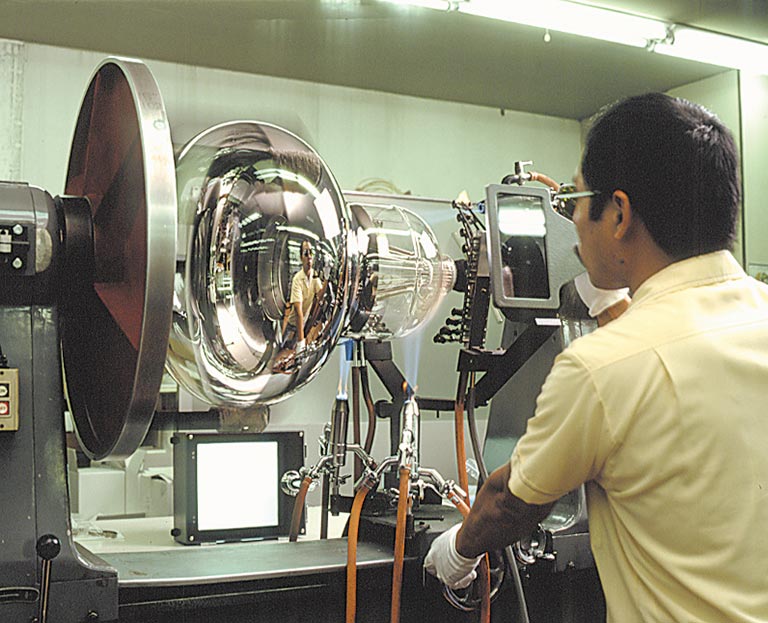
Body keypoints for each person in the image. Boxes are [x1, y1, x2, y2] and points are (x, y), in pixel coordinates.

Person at [425, 93, 768, 622]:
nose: (573, 223)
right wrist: (615, 303)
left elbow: (513, 502)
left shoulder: (598, 367)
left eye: (576, 201)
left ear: (620, 214)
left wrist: (455, 553)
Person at [281, 240, 324, 353]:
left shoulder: (314, 276)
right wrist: (301, 340)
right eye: (306, 253)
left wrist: (327, 279)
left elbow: (320, 295)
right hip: (293, 325)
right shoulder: (297, 279)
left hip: (303, 324)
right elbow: (298, 311)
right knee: (284, 352)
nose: (309, 257)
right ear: (301, 257)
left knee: (297, 356)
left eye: (311, 253)